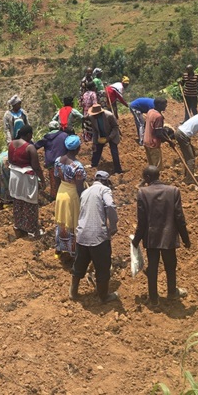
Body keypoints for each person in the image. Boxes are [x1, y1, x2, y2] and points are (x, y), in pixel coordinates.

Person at [132, 165, 190, 305]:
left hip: (151, 237)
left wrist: (136, 240)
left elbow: (142, 221)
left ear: (147, 178)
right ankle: (171, 293)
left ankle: (153, 299)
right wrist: (185, 238)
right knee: (170, 265)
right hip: (169, 236)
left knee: (152, 267)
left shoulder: (143, 193)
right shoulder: (173, 191)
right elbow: (179, 217)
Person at [69, 170, 119, 304]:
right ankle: (104, 296)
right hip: (98, 236)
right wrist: (113, 225)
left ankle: (73, 292)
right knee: (103, 267)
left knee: (80, 263)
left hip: (82, 234)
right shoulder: (104, 190)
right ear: (106, 182)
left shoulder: (86, 192)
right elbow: (110, 205)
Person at [8, 124, 46, 237]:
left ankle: (19, 226)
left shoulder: (11, 144)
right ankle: (32, 230)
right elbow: (36, 167)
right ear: (29, 135)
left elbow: (10, 160)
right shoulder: (30, 147)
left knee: (18, 202)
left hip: (14, 176)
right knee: (30, 203)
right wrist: (42, 180)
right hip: (26, 178)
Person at [53, 135, 86, 259]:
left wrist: (58, 193)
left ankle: (59, 249)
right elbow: (79, 188)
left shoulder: (58, 161)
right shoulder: (78, 167)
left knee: (61, 221)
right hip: (72, 195)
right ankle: (73, 251)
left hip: (61, 192)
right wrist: (83, 200)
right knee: (72, 222)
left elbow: (56, 179)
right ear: (77, 149)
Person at [35, 121, 69, 200]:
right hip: (63, 161)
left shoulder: (46, 138)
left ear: (49, 128)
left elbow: (36, 146)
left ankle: (54, 197)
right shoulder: (64, 135)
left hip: (51, 163)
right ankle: (65, 195)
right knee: (64, 179)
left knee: (54, 181)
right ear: (58, 127)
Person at [88, 104, 124, 174]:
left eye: (96, 114)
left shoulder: (109, 115)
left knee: (114, 152)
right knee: (97, 150)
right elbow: (95, 130)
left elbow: (115, 127)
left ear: (100, 113)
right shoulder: (92, 117)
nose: (94, 116)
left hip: (111, 135)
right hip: (101, 135)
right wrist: (94, 143)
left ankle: (118, 169)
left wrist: (109, 137)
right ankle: (94, 165)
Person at [143, 97, 169, 170]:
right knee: (157, 167)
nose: (166, 106)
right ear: (159, 105)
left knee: (151, 165)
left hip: (146, 141)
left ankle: (151, 180)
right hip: (153, 143)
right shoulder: (158, 117)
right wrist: (169, 141)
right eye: (164, 104)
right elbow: (158, 134)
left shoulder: (150, 111)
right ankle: (156, 180)